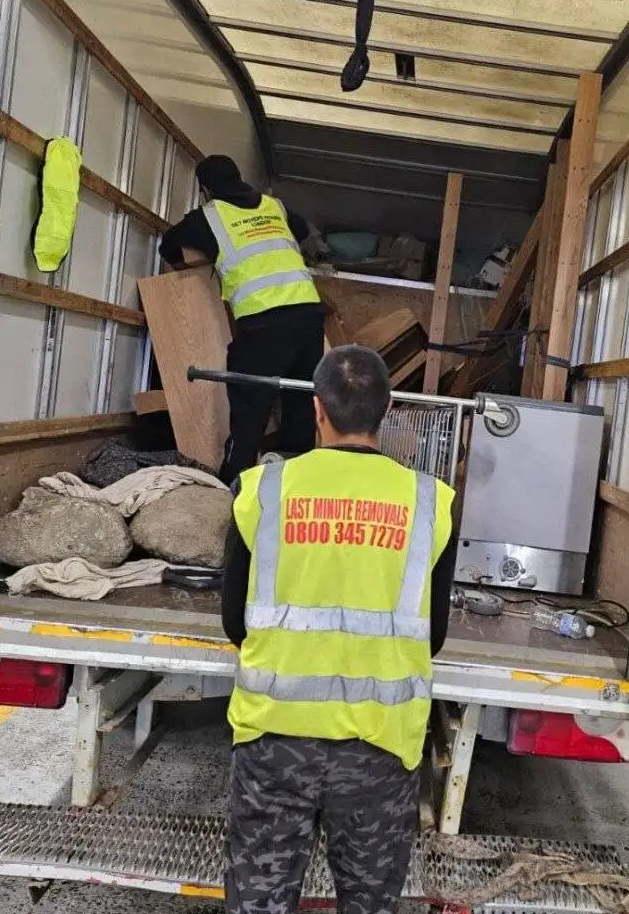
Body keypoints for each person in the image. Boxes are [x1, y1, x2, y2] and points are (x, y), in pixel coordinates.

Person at [221, 344, 456, 914]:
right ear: (388, 410)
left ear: (317, 411)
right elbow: (434, 633)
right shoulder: (431, 502)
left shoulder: (262, 490)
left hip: (274, 739)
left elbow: (234, 621)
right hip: (378, 746)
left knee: (257, 901)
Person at [158, 155, 324, 484]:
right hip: (308, 316)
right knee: (300, 404)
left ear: (205, 190)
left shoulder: (209, 216)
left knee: (249, 410)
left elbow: (169, 247)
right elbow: (303, 229)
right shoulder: (274, 207)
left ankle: (232, 487)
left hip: (263, 322)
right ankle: (293, 485)